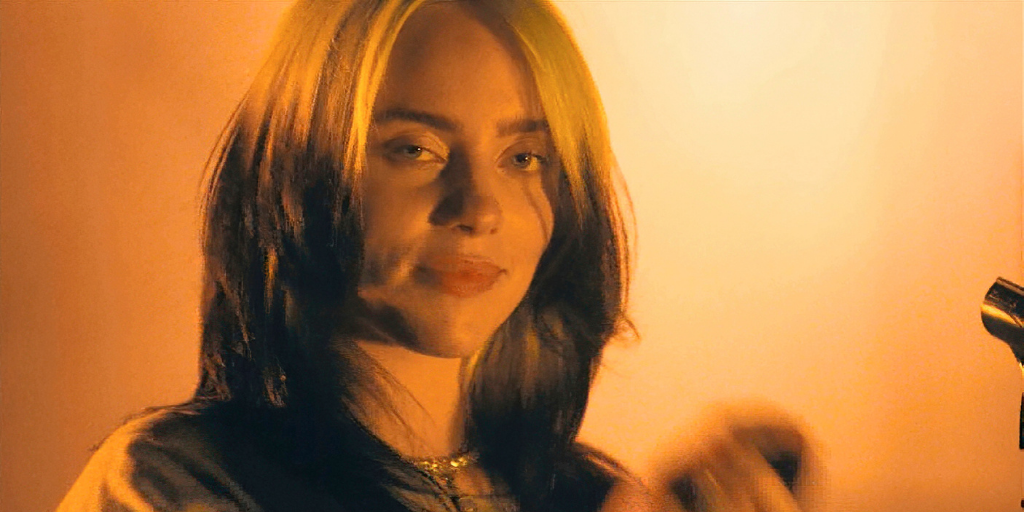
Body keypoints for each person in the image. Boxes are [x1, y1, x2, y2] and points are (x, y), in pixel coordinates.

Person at [58, 1, 809, 511]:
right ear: (302, 170)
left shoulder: (584, 494)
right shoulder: (175, 481)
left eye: (523, 157)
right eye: (415, 149)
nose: (479, 208)